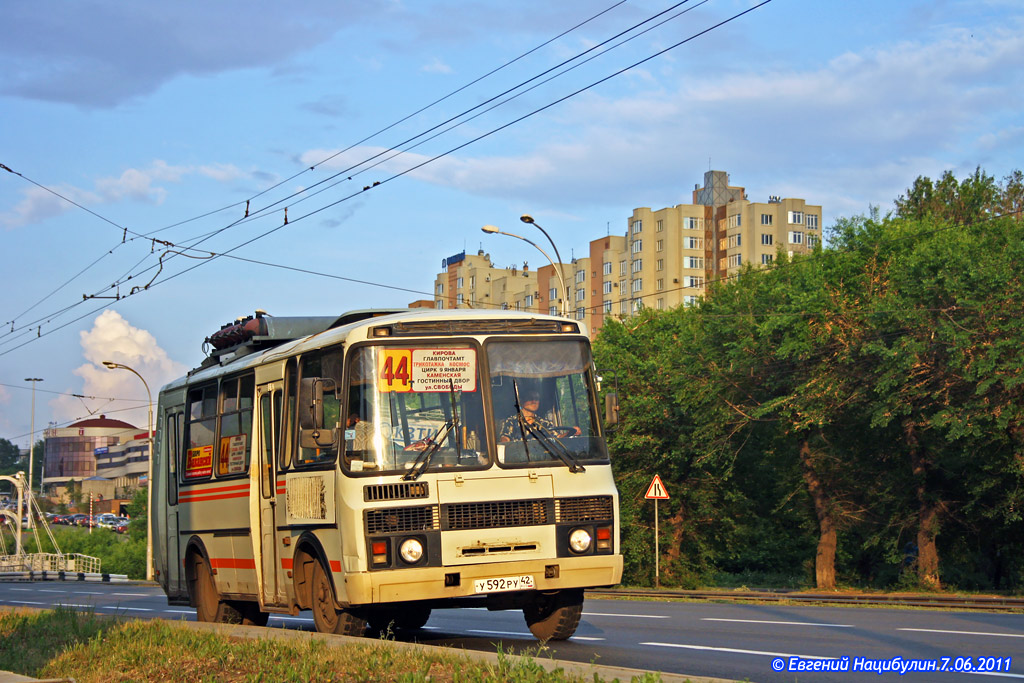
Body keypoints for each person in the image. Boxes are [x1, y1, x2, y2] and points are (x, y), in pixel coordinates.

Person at [498, 389, 579, 442]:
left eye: (537, 399)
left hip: (541, 460)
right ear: (521, 401)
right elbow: (505, 440)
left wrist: (570, 433)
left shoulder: (544, 423)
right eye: (530, 398)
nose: (534, 401)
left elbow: (558, 438)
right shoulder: (511, 421)